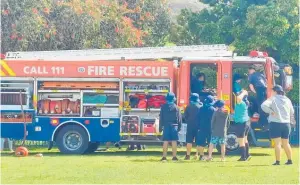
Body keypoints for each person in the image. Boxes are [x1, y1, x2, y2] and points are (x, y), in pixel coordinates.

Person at [261, 85, 294, 165]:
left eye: (272, 91)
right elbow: (292, 111)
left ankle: (277, 161)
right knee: (286, 143)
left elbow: (263, 105)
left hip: (275, 123)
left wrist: (271, 111)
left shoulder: (273, 98)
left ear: (275, 91)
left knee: (277, 143)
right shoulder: (287, 100)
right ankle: (290, 160)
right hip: (286, 123)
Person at [159, 92, 182, 161]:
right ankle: (174, 157)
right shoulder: (176, 107)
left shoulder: (163, 107)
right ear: (173, 99)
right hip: (174, 126)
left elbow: (161, 118)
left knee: (165, 141)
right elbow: (179, 118)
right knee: (174, 141)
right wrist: (179, 127)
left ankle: (164, 157)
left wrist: (160, 127)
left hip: (166, 125)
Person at [233, 90, 251, 161]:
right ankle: (247, 155)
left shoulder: (240, 102)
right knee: (245, 140)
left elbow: (238, 98)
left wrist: (243, 92)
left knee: (241, 141)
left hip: (241, 123)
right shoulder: (245, 103)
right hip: (246, 122)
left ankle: (243, 157)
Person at [184, 93, 202, 160]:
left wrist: (188, 121)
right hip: (198, 126)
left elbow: (185, 117)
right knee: (198, 141)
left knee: (189, 141)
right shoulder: (200, 106)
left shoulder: (188, 106)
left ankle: (188, 155)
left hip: (190, 126)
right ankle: (198, 155)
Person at [196, 95, 215, 160]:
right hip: (210, 128)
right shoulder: (213, 109)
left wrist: (198, 127)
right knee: (210, 142)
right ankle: (209, 156)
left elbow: (197, 118)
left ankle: (201, 156)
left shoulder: (201, 108)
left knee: (201, 142)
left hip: (202, 127)